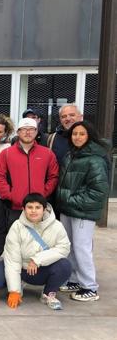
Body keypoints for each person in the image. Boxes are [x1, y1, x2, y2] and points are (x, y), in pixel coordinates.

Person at [0, 194, 71, 311]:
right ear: (23, 209)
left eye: (38, 207)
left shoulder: (57, 226)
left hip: (40, 269)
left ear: (44, 209)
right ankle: (19, 283)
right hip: (21, 268)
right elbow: (13, 260)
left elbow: (64, 248)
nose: (33, 211)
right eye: (30, 207)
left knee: (64, 265)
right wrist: (14, 290)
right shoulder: (16, 227)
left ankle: (48, 294)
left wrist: (37, 259)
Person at [55, 121, 109, 302]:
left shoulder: (95, 158)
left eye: (81, 134)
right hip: (67, 209)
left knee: (81, 248)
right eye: (74, 134)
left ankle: (90, 287)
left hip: (82, 212)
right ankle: (74, 279)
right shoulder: (72, 154)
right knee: (69, 246)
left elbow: (98, 191)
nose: (77, 137)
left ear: (89, 136)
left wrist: (70, 200)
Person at [0, 117, 58, 225]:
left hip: (38, 207)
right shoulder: (7, 153)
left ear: (36, 132)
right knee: (15, 240)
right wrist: (10, 195)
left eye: (31, 129)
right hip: (15, 207)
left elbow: (53, 176)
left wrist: (43, 193)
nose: (28, 132)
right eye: (24, 129)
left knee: (38, 239)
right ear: (18, 132)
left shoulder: (47, 153)